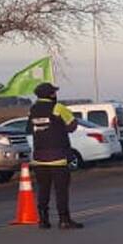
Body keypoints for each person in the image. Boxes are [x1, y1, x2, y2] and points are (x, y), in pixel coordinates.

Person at [28, 82, 83, 230]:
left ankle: (43, 220)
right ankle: (64, 220)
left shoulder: (32, 109)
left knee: (43, 189)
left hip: (39, 158)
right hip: (58, 157)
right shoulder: (58, 108)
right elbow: (72, 126)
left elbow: (29, 129)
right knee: (61, 190)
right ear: (52, 94)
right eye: (54, 92)